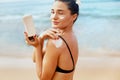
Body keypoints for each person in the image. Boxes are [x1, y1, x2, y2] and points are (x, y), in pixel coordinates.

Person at [24, 0, 79, 80]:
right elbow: (36, 58)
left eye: (60, 13)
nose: (54, 17)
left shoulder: (56, 42)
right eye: (52, 12)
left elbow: (43, 78)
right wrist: (41, 39)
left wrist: (37, 45)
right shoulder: (72, 36)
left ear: (74, 16)